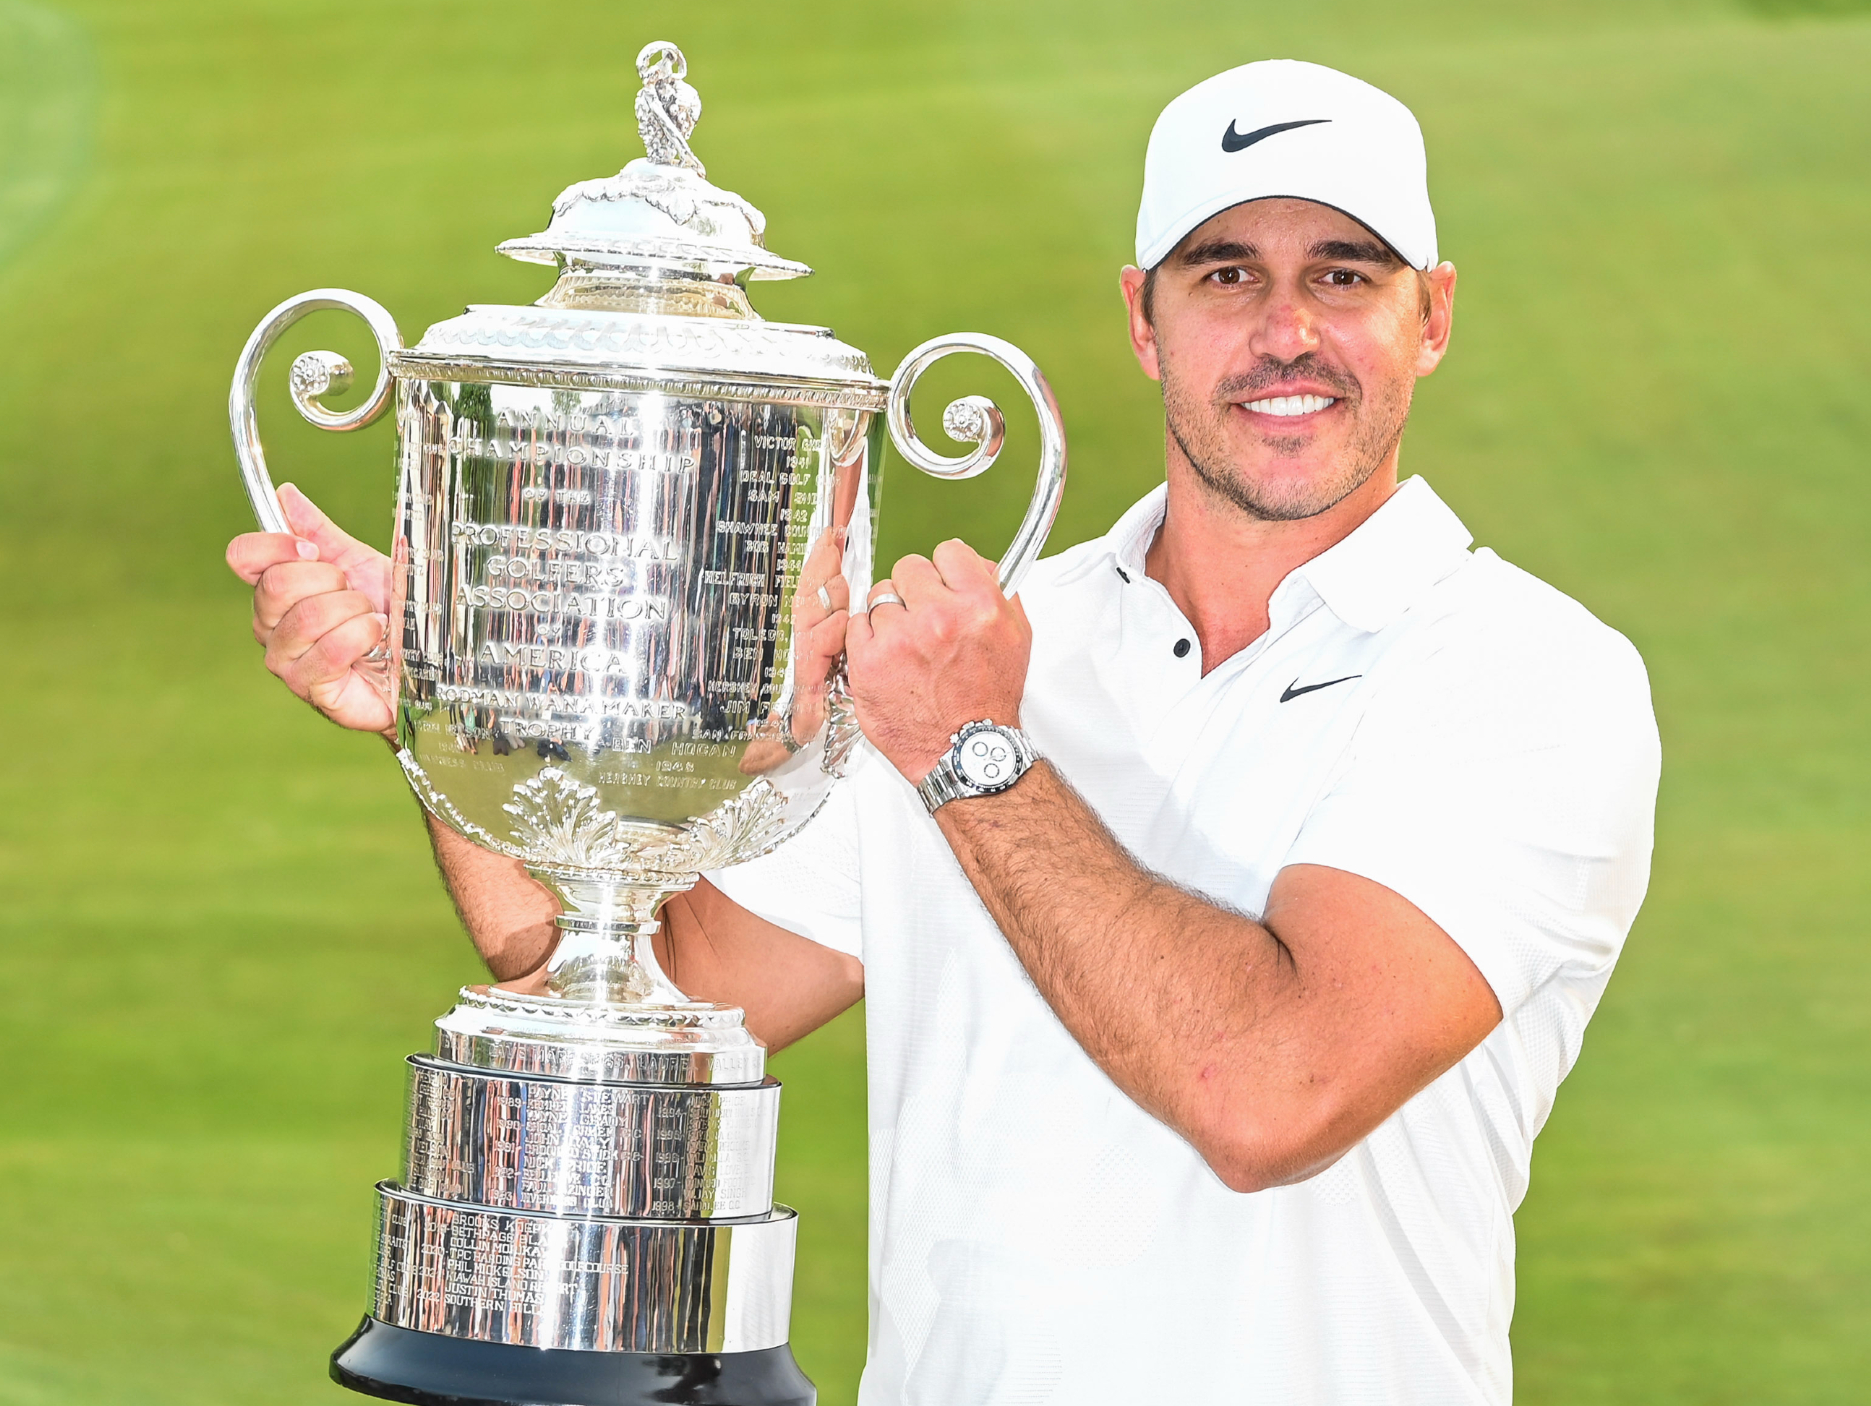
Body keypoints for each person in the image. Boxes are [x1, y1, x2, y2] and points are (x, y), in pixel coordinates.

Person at [229, 57, 1660, 1406]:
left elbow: (1267, 1091)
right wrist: (446, 703)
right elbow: (625, 982)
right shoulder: (987, 645)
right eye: (1227, 275)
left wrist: (970, 754)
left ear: (1435, 313)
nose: (1287, 331)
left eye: (1343, 276)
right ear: (1142, 318)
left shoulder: (1528, 673)